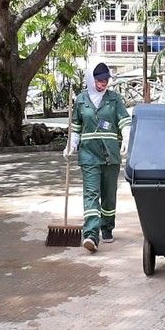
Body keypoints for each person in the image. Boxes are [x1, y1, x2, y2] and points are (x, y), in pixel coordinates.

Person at [65, 63, 131, 252]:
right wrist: (71, 145)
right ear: (90, 80)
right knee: (92, 194)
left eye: (106, 81)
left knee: (109, 194)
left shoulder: (114, 99)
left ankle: (107, 226)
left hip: (110, 154)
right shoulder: (81, 100)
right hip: (88, 155)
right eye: (99, 81)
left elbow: (125, 121)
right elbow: (76, 127)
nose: (103, 85)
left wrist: (126, 137)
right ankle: (91, 234)